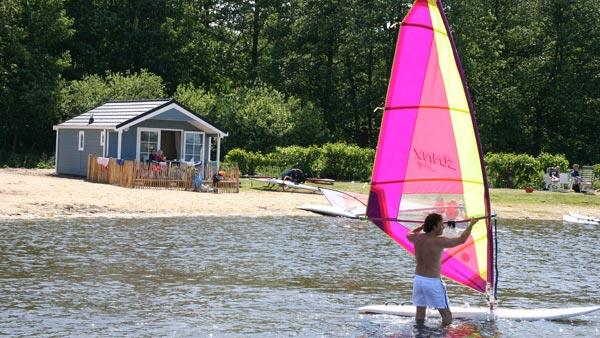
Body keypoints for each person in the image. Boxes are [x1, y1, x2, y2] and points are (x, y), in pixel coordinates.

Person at [406, 213, 477, 326]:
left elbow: (409, 234)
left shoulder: (417, 238)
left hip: (418, 280)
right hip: (432, 282)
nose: (443, 227)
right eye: (441, 225)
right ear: (434, 227)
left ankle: (419, 333)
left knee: (420, 312)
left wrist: (421, 226)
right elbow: (461, 240)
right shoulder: (439, 240)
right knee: (446, 315)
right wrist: (471, 225)